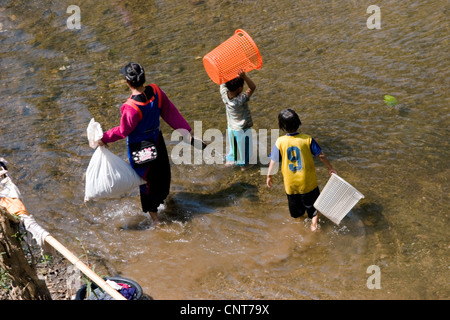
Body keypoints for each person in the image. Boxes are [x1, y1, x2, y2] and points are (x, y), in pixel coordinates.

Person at [99, 62, 195, 226]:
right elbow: (170, 112)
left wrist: (103, 138)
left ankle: (156, 221)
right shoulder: (156, 91)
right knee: (162, 174)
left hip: (141, 148)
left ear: (127, 82)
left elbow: (123, 131)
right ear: (144, 78)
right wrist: (186, 131)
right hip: (157, 141)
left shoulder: (130, 107)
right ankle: (163, 202)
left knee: (146, 182)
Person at [266, 109, 336, 231]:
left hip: (291, 185)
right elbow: (321, 155)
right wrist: (330, 168)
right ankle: (313, 226)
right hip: (308, 183)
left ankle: (299, 229)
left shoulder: (280, 142)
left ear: (281, 126)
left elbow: (273, 161)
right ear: (298, 122)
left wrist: (269, 175)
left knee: (297, 213)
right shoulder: (307, 139)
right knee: (314, 208)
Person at [220, 70, 256, 167]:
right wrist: (244, 76)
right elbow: (253, 87)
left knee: (234, 147)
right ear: (240, 88)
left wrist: (224, 72)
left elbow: (222, 83)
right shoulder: (241, 99)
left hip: (231, 127)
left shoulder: (224, 94)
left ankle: (229, 161)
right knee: (244, 154)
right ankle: (243, 167)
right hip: (242, 130)